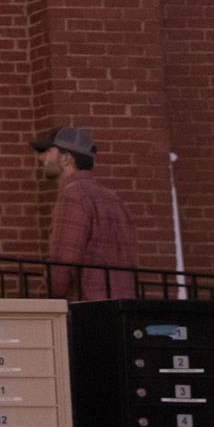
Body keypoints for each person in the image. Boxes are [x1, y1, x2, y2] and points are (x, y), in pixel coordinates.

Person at [35, 125, 138, 301]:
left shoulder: (73, 196)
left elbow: (62, 265)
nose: (42, 158)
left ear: (67, 158)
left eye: (48, 151)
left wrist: (47, 301)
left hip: (87, 307)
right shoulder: (114, 199)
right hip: (122, 304)